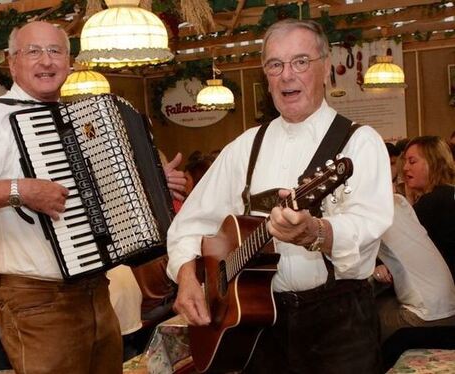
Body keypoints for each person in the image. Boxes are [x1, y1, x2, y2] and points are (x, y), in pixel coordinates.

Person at [0, 21, 186, 374]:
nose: (46, 61)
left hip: (95, 291)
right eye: (33, 51)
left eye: (55, 51)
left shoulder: (77, 118)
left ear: (69, 61)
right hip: (37, 302)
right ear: (11, 62)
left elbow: (99, 194)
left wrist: (150, 183)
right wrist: (20, 190)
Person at [167, 19, 393, 373]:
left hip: (338, 326)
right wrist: (185, 276)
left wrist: (316, 232)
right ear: (266, 76)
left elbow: (368, 223)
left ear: (324, 69)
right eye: (276, 64)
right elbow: (189, 224)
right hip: (257, 326)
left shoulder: (359, 143)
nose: (287, 75)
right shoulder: (245, 147)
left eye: (301, 61)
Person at [373, 194, 455, 342]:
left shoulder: (368, 210)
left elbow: (353, 265)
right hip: (450, 308)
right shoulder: (400, 201)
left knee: (364, 319)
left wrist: (372, 270)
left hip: (425, 315)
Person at [402, 136, 455, 276]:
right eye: (405, 161)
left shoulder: (432, 201)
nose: (405, 167)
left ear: (433, 163)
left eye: (412, 161)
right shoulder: (449, 194)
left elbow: (403, 247)